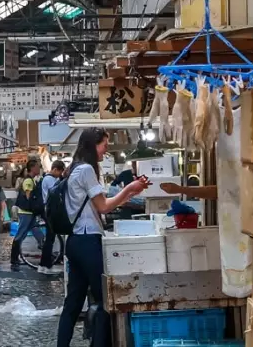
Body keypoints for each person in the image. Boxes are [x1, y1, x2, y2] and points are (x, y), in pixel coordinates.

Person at [57, 128, 150, 347]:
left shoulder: (74, 169)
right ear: (92, 145)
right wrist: (129, 188)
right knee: (106, 299)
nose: (105, 151)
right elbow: (104, 206)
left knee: (73, 302)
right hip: (88, 241)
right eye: (104, 146)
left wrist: (129, 192)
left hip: (75, 242)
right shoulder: (87, 170)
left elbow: (97, 203)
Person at [10, 159, 45, 269]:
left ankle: (44, 247)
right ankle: (14, 258)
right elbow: (29, 197)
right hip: (26, 213)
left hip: (29, 213)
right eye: (38, 167)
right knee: (21, 234)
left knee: (36, 231)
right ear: (33, 168)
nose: (39, 169)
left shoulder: (32, 180)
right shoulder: (28, 181)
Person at [38, 160, 65, 275]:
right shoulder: (49, 179)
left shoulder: (51, 179)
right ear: (55, 169)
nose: (60, 174)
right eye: (60, 171)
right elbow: (56, 191)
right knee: (50, 239)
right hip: (49, 211)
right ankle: (45, 265)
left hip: (50, 211)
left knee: (51, 239)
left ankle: (44, 265)